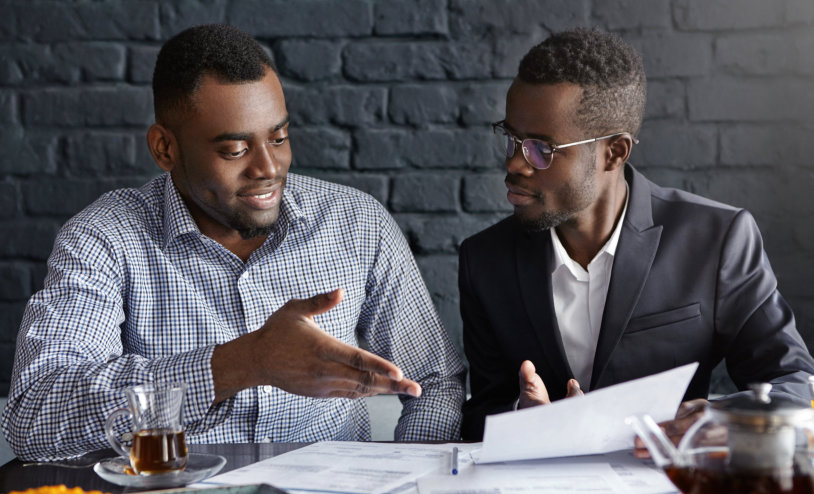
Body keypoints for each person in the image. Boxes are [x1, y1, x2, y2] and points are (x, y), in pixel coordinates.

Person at [3, 24, 465, 461]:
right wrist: (243, 362)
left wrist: (402, 485)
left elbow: (436, 382)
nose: (268, 167)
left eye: (279, 137)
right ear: (165, 148)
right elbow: (34, 415)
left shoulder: (355, 223)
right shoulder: (104, 239)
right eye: (235, 150)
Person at [458, 27, 814, 450]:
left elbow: (795, 382)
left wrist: (730, 417)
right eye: (512, 138)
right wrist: (523, 420)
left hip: (665, 492)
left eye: (542, 148)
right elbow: (482, 413)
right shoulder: (485, 261)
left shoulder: (716, 241)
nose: (515, 162)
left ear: (614, 152)